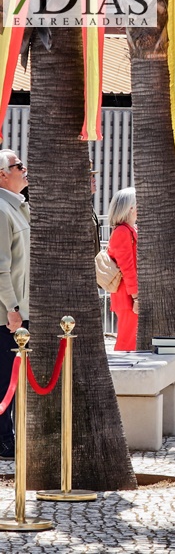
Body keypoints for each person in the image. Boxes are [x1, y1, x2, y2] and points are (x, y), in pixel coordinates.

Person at [0, 150, 28, 458]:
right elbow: (1, 266)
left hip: (20, 309)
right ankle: (3, 440)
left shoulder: (17, 207)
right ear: (2, 175)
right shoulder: (2, 209)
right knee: (4, 379)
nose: (25, 169)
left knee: (14, 378)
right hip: (9, 315)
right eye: (18, 166)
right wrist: (11, 307)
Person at [107, 187, 139, 352]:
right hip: (127, 296)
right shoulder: (122, 231)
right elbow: (127, 267)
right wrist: (136, 296)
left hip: (129, 295)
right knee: (126, 343)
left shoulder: (127, 230)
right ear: (131, 208)